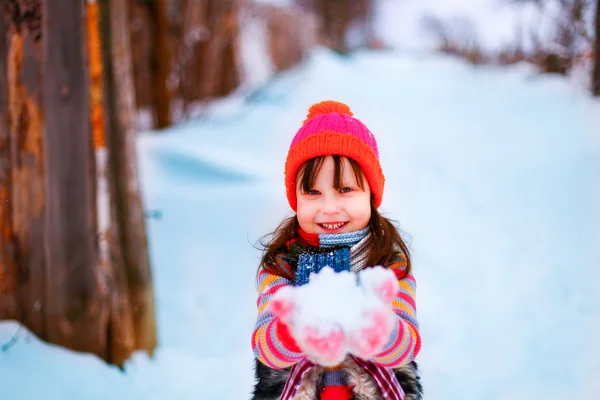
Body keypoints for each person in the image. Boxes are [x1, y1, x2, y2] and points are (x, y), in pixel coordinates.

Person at [250, 100, 422, 400]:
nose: (329, 208)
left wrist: (377, 329)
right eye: (313, 193)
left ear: (371, 193)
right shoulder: (281, 264)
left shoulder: (388, 262)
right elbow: (266, 348)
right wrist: (295, 327)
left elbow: (406, 346)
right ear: (296, 199)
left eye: (345, 190)